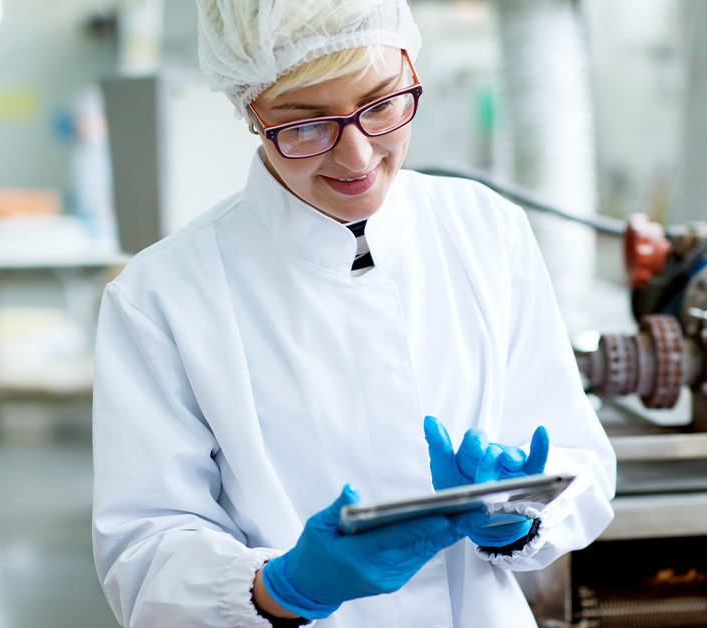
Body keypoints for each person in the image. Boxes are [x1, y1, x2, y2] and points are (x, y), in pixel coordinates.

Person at [90, 0, 617, 626]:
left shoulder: (485, 229)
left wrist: (514, 514)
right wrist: (280, 589)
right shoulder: (161, 295)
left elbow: (577, 460)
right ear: (250, 112)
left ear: (409, 67)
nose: (359, 158)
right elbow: (143, 551)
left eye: (383, 104)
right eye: (306, 125)